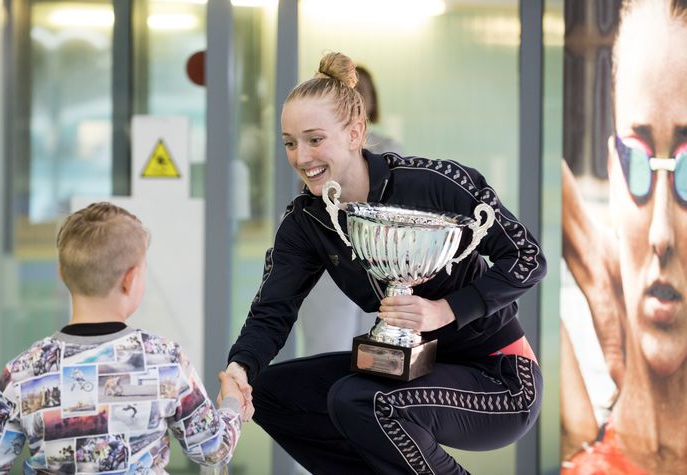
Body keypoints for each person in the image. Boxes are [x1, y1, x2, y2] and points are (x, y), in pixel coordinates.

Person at [223, 52, 546, 474]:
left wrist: (444, 311)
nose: (301, 157)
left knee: (357, 400)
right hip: (404, 368)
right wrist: (240, 368)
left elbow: (527, 257)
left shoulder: (432, 184)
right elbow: (272, 310)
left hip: (499, 378)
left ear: (356, 133)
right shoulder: (307, 221)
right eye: (289, 142)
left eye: (315, 139)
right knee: (273, 392)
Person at [0, 202, 243, 473]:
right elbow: (214, 450)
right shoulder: (166, 361)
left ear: (61, 274)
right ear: (130, 279)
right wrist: (233, 404)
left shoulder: (22, 373)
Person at [561, 1, 687, 473]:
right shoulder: (573, 438)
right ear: (614, 175)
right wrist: (593, 267)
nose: (660, 234)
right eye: (637, 162)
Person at [297, 64, 402, 356]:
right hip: (330, 258)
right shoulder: (315, 144)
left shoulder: (392, 149)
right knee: (327, 347)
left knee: (376, 350)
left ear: (373, 101)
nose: (356, 98)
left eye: (362, 91)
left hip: (380, 261)